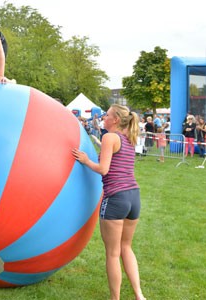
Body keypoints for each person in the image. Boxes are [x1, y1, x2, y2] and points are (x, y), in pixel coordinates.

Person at [72, 104, 146, 300]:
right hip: (133, 197)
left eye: (107, 115)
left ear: (115, 120)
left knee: (113, 253)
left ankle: (115, 299)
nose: (103, 117)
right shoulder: (129, 138)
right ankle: (139, 295)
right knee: (126, 247)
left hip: (116, 199)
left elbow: (104, 169)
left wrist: (86, 160)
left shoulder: (109, 137)